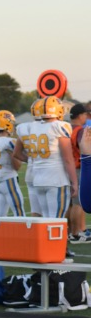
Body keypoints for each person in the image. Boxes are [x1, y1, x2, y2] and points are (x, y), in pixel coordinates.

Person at [0, 110, 24, 216]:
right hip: (8, 180)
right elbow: (17, 166)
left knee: (0, 215)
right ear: (7, 124)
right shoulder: (9, 142)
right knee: (19, 213)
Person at [68, 103, 89, 243]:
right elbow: (84, 149)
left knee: (70, 204)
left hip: (66, 168)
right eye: (85, 114)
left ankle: (70, 232)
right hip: (78, 167)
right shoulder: (79, 131)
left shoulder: (65, 128)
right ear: (80, 115)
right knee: (78, 203)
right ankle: (77, 233)